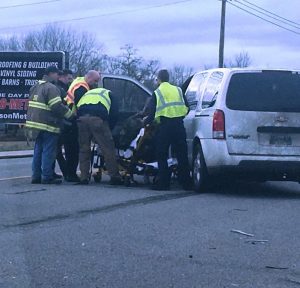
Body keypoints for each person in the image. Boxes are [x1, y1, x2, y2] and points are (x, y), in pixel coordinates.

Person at [143, 69, 192, 191]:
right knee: (182, 154)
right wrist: (179, 116)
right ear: (168, 78)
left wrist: (145, 122)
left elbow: (152, 113)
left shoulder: (157, 92)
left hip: (164, 127)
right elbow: (187, 107)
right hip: (179, 125)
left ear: (159, 79)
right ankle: (185, 182)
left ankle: (164, 183)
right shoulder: (178, 90)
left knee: (162, 154)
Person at [26, 66, 73, 184]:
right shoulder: (51, 88)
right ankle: (47, 177)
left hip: (34, 125)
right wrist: (70, 115)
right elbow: (57, 106)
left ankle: (36, 176)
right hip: (48, 124)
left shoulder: (35, 86)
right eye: (57, 74)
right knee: (48, 151)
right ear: (51, 74)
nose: (58, 76)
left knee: (38, 151)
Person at [76, 83, 123, 185]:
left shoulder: (88, 93)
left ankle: (84, 177)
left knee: (84, 149)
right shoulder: (110, 94)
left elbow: (77, 107)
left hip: (81, 119)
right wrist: (109, 129)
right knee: (108, 148)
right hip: (97, 119)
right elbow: (114, 114)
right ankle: (115, 177)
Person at [63, 70, 101, 182]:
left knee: (71, 149)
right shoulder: (82, 88)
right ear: (89, 78)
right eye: (95, 81)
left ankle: (70, 174)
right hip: (72, 120)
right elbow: (82, 106)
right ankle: (71, 175)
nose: (95, 83)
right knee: (73, 150)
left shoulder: (78, 81)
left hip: (68, 119)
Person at [52, 69, 74, 179]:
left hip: (61, 122)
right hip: (60, 122)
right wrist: (71, 116)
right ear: (61, 77)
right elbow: (62, 106)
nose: (70, 81)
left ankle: (53, 171)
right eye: (68, 78)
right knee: (55, 149)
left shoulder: (63, 87)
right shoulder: (59, 88)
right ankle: (65, 172)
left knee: (55, 149)